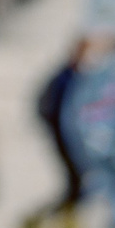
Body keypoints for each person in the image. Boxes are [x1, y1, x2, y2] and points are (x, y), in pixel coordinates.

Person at [34, 39, 89, 214]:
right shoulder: (65, 76)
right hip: (62, 129)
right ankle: (64, 211)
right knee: (74, 175)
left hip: (65, 129)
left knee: (76, 176)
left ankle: (68, 209)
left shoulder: (73, 76)